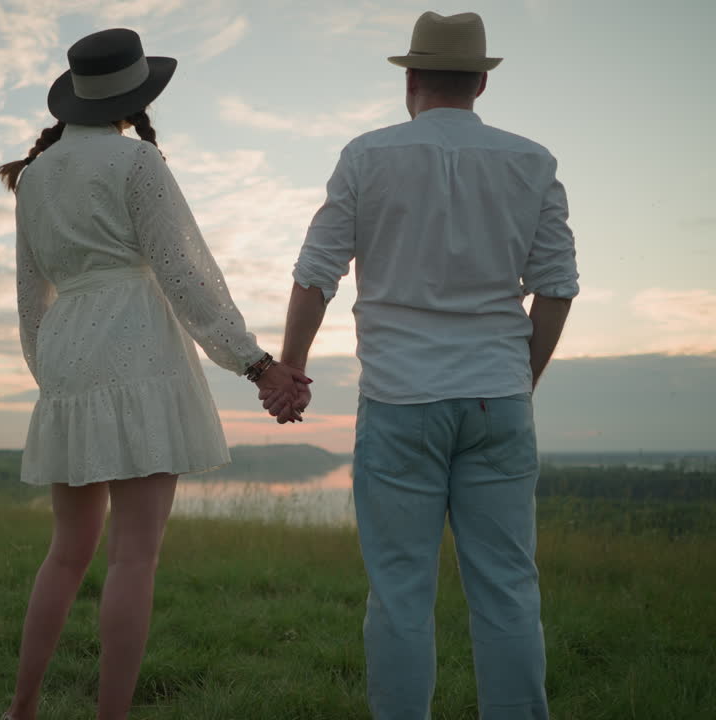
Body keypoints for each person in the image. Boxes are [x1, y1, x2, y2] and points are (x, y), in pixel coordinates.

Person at [264, 11, 579, 720]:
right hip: (497, 400)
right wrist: (518, 380)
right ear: (479, 83)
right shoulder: (532, 162)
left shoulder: (367, 156)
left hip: (401, 401)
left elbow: (316, 274)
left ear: (409, 79)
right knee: (507, 588)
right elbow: (557, 285)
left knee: (401, 591)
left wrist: (290, 367)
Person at [0, 28, 310, 720]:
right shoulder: (137, 163)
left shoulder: (34, 177)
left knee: (65, 553)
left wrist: (53, 379)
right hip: (138, 351)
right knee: (134, 557)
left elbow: (29, 299)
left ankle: (21, 709)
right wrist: (255, 365)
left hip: (69, 358)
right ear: (132, 96)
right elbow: (185, 276)